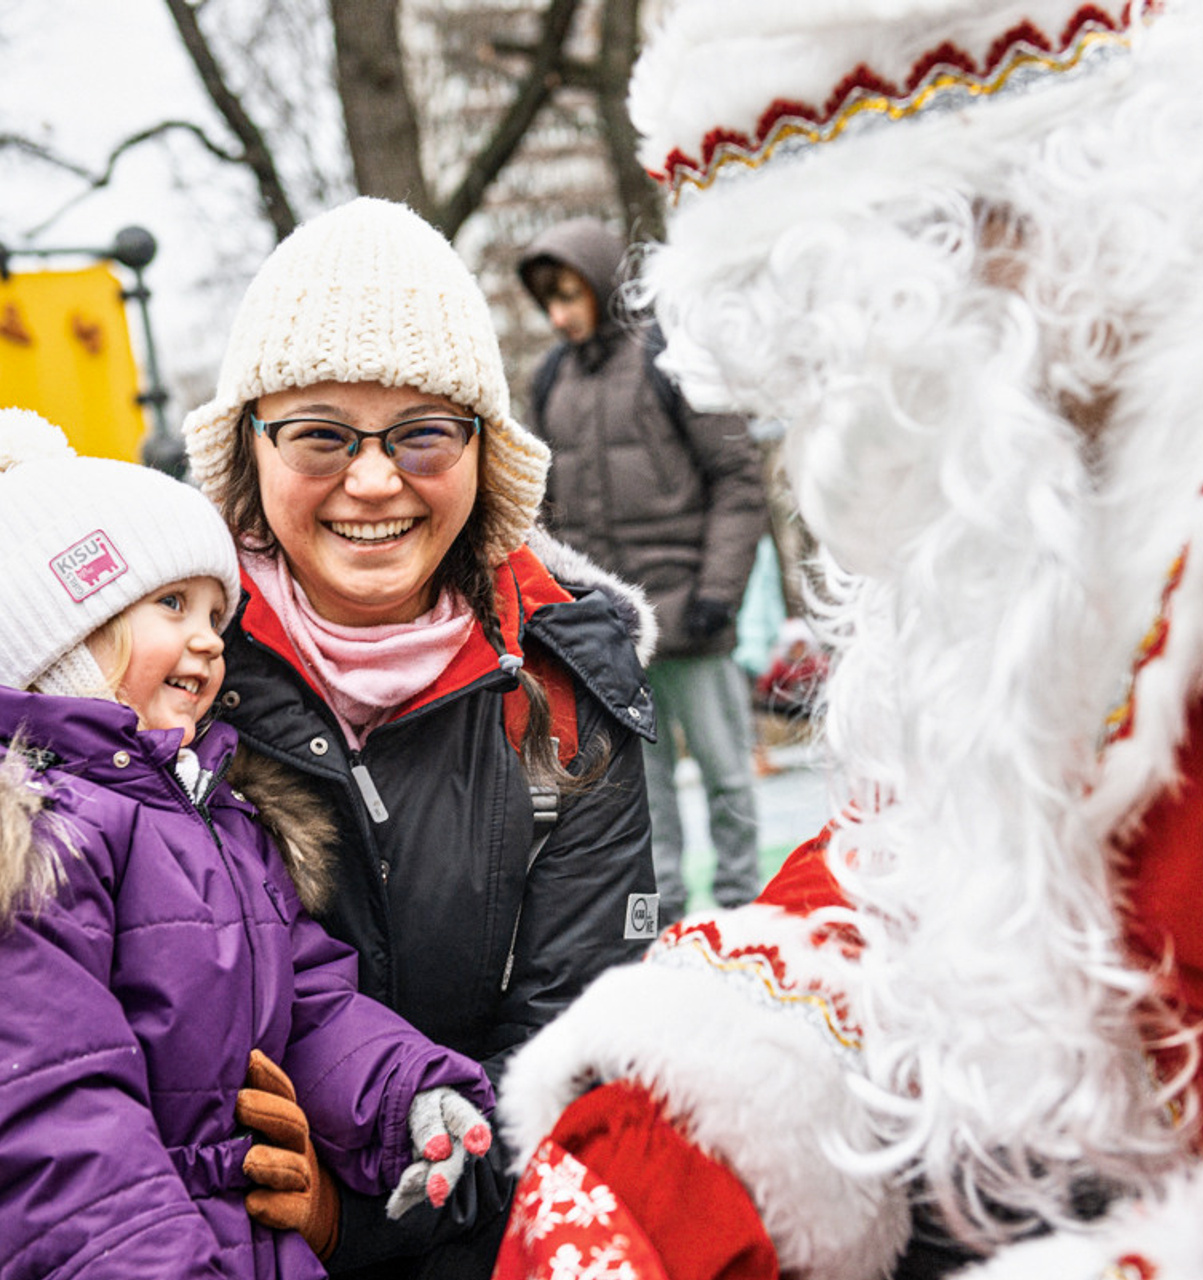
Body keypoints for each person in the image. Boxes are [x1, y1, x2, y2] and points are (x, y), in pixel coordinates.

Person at [494, 1, 1203, 1277]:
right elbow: (944, 860)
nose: (833, 444)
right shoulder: (1076, 496)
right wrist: (671, 1133)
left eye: (848, 351)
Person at [179, 196, 659, 1279]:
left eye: (422, 431)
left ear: (482, 451)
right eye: (319, 432)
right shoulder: (164, 684)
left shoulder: (566, 696)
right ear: (248, 451)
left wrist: (352, 1217)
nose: (374, 477)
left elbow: (570, 1070)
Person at [0, 407, 494, 1280]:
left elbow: (304, 1003)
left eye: (215, 613)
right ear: (64, 640)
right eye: (169, 604)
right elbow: (58, 1118)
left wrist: (404, 1094)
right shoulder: (42, 844)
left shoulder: (214, 818)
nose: (207, 640)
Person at [517, 216, 769, 927]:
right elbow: (547, 505)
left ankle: (744, 904)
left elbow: (736, 479)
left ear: (600, 284)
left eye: (570, 295)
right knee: (641, 789)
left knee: (724, 772)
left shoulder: (671, 356)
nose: (560, 314)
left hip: (692, 611)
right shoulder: (551, 379)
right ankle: (660, 921)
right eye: (549, 302)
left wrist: (720, 592)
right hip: (611, 629)